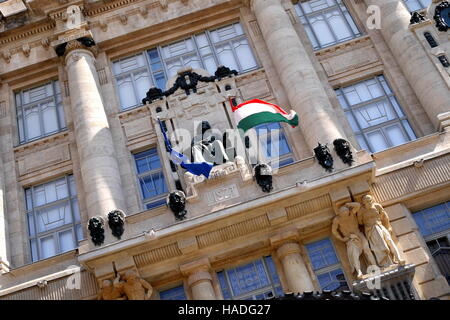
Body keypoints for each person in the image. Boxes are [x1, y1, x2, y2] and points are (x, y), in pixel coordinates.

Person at [357, 195, 405, 267]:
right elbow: (360, 222)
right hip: (370, 230)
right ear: (363, 203)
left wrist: (388, 226)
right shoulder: (361, 211)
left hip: (380, 226)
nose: (369, 202)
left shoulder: (377, 206)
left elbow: (384, 216)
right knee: (378, 246)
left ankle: (398, 258)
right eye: (367, 201)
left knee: (389, 241)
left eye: (370, 200)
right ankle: (384, 263)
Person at [332, 202, 376, 278]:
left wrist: (348, 204)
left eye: (346, 211)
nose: (345, 212)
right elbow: (334, 231)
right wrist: (342, 239)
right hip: (350, 238)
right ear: (339, 213)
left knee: (367, 249)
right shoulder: (337, 220)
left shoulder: (352, 214)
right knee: (354, 255)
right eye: (343, 212)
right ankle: (359, 271)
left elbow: (358, 205)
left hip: (358, 234)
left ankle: (374, 266)